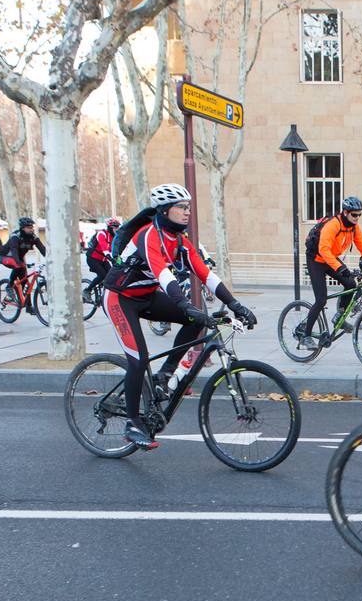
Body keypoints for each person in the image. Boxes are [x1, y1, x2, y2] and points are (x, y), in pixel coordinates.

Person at [103, 184, 256, 450]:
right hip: (119, 298)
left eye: (189, 207)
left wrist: (235, 304)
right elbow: (163, 275)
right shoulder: (148, 235)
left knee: (195, 321)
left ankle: (164, 375)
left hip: (146, 296)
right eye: (182, 207)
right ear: (164, 210)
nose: (188, 212)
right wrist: (185, 304)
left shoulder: (180, 241)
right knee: (138, 359)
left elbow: (205, 274)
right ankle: (131, 424)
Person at [301, 195, 362, 348]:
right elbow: (323, 249)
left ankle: (339, 316)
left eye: (359, 214)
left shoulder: (354, 228)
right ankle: (306, 335)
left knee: (351, 283)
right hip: (316, 260)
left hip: (331, 259)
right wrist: (340, 268)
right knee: (321, 299)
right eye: (354, 214)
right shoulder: (333, 225)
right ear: (345, 212)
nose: (357, 217)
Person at [0, 217, 46, 287]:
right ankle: (9, 286)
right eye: (29, 228)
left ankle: (23, 296)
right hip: (6, 256)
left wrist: (50, 260)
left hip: (18, 258)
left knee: (24, 282)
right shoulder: (15, 236)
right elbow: (14, 250)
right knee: (18, 266)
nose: (31, 229)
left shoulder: (33, 237)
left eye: (32, 227)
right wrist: (19, 262)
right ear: (23, 228)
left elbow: (42, 249)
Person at [86, 216, 121, 285]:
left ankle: (105, 292)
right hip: (93, 259)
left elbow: (117, 251)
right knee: (102, 275)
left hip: (103, 260)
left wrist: (120, 262)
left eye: (118, 227)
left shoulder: (114, 237)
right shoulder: (102, 234)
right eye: (115, 227)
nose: (117, 229)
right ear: (110, 228)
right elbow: (104, 247)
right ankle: (87, 290)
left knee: (111, 276)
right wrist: (110, 257)